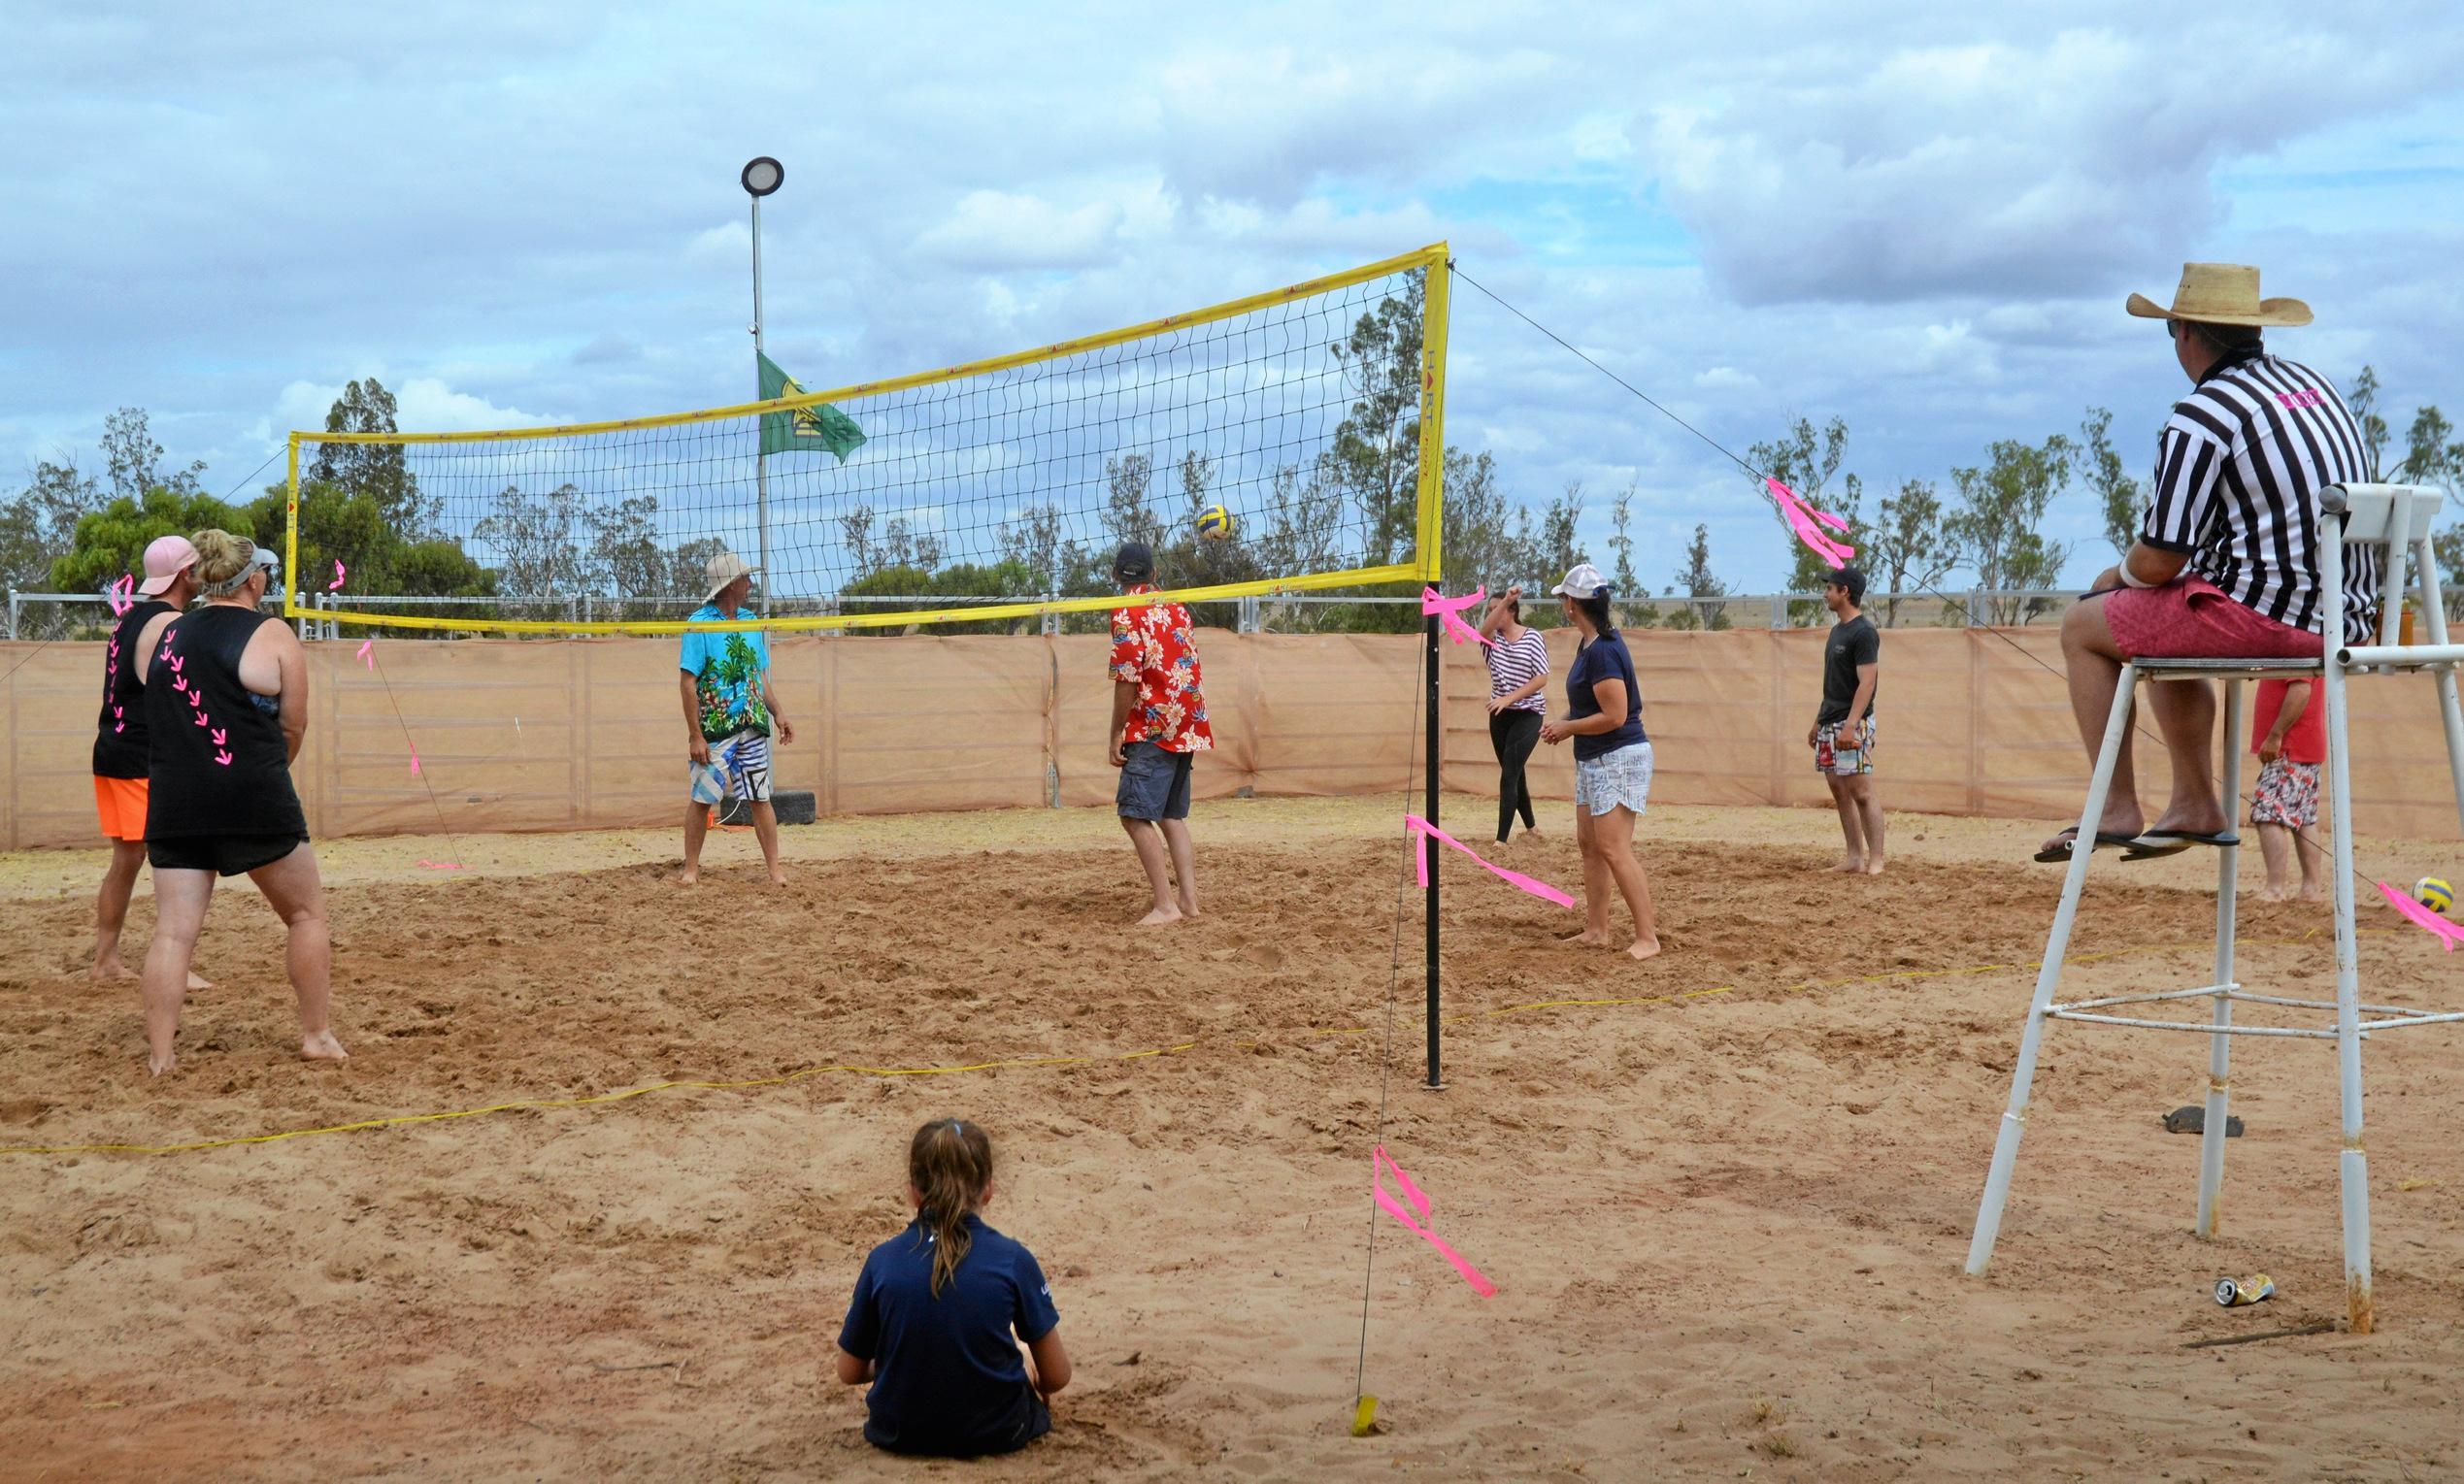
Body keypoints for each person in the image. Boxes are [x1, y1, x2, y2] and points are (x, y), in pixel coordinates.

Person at [2040, 263, 2377, 864]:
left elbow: (2163, 555)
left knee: (2083, 626)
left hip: (2275, 619)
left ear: (2185, 332)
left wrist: (2115, 579)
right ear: (2253, 330)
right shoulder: (2314, 387)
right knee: (2153, 613)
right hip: (2348, 618)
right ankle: (2193, 802)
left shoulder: (2203, 415)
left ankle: (2120, 808)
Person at [131, 530, 345, 1075]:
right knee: (305, 915)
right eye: (265, 573)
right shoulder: (273, 634)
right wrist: (263, 775)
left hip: (177, 798)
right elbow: (292, 727)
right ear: (252, 579)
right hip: (252, 792)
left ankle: (161, 1056)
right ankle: (316, 1036)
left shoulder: (165, 634)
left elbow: (152, 710)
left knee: (173, 932)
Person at [836, 1119, 1072, 1458]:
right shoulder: (1012, 1259)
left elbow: (849, 1371)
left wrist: (896, 1361)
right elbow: (1057, 1375)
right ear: (988, 1189)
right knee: (1016, 1351)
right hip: (999, 1432)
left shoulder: (882, 1261)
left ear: (913, 1192)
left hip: (899, 1433)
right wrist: (1025, 1368)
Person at [88, 535, 211, 989]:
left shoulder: (129, 618)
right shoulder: (170, 624)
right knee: (173, 861)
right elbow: (174, 698)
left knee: (127, 860)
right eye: (197, 568)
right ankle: (174, 964)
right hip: (142, 757)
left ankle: (105, 959)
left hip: (112, 749)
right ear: (185, 574)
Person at [1539, 564, 1660, 961]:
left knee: (1613, 848)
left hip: (1618, 756)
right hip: (1595, 758)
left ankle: (1648, 937)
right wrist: (1565, 725)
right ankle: (1597, 930)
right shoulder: (1590, 644)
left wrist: (1568, 727)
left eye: (1564, 599)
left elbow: (1616, 715)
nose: (1562, 605)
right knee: (1590, 844)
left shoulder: (1604, 651)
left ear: (1573, 604)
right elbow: (1594, 706)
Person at [1107, 542, 1212, 926]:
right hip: (1187, 722)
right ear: (1154, 575)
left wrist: (1116, 732)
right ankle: (1189, 902)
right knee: (1170, 815)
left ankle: (1166, 906)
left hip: (1153, 724)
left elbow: (1128, 678)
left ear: (1117, 576)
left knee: (1133, 816)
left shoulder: (1126, 609)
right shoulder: (1176, 606)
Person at [679, 551, 794, 886]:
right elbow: (688, 684)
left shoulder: (749, 621)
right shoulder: (698, 624)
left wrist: (779, 713)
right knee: (702, 800)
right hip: (715, 730)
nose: (751, 583)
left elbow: (759, 678)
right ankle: (691, 870)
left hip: (752, 726)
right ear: (730, 586)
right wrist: (695, 735)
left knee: (761, 797)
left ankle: (774, 870)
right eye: (745, 578)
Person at [1808, 565, 1883, 874]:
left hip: (1853, 724)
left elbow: (1867, 682)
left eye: (1830, 588)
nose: (1826, 593)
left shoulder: (1864, 632)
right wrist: (1818, 722)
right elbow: (1833, 683)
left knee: (1862, 792)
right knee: (1839, 789)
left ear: (1845, 592)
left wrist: (1851, 724)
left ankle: (1876, 859)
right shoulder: (1838, 630)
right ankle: (1854, 857)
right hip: (1830, 723)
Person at [1477, 585, 1550, 845]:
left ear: (1512, 612)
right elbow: (1483, 630)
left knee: (1509, 773)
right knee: (1515, 773)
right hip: (1500, 714)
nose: (1492, 616)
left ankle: (1501, 840)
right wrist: (1504, 600)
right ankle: (1531, 828)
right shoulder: (1490, 640)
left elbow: (1541, 678)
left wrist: (1510, 697)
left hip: (1529, 713)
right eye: (1489, 611)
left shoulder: (1532, 638)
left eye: (1496, 611)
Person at [2248, 676, 2328, 902]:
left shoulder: (2295, 647)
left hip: (2289, 748)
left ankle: (2275, 888)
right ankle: (2311, 889)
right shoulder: (2307, 646)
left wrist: (2276, 735)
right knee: (2304, 819)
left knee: (2267, 815)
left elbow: (2301, 690)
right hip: (2304, 747)